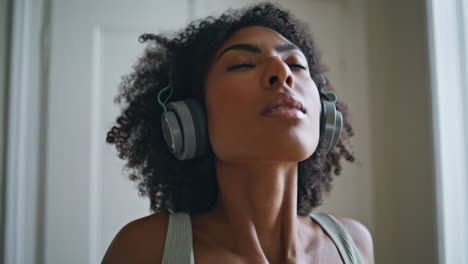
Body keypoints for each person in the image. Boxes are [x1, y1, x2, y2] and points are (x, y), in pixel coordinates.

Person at [102, 2, 374, 264]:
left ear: (325, 113)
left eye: (296, 64)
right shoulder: (145, 250)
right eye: (242, 64)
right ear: (190, 119)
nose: (281, 72)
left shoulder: (354, 242)